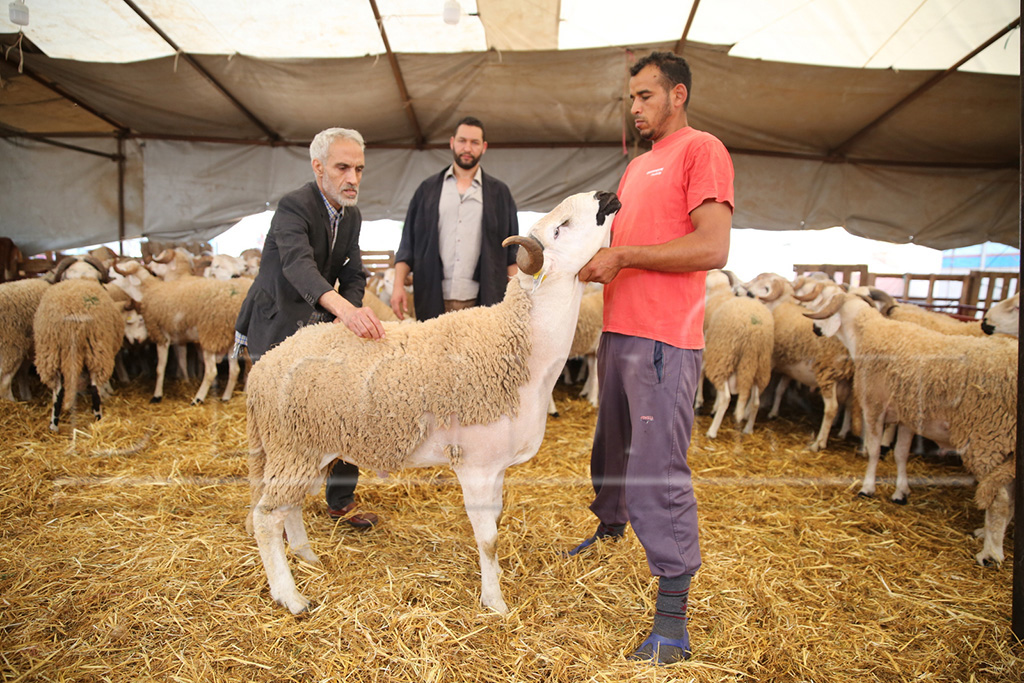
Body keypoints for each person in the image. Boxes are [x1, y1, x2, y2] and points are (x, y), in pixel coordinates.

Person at [569, 51, 733, 665]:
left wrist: (626, 256)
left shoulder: (701, 151)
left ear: (678, 94)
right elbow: (617, 243)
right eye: (630, 98)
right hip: (620, 331)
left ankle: (671, 621)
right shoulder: (637, 168)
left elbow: (713, 246)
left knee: (657, 471)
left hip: (665, 339)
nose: (634, 107)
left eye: (645, 96)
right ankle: (611, 528)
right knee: (610, 449)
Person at [233, 127, 385, 530]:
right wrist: (344, 312)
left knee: (343, 409)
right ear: (319, 168)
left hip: (318, 323)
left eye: (359, 169)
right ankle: (268, 509)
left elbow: (354, 270)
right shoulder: (293, 206)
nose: (352, 178)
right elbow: (297, 265)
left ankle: (341, 501)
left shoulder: (351, 215)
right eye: (342, 167)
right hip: (276, 321)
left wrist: (348, 309)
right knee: (280, 422)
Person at [390, 116, 519, 321]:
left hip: (484, 300)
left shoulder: (500, 194)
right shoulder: (427, 190)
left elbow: (512, 253)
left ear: (483, 147)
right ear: (452, 143)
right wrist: (398, 286)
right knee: (433, 352)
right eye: (462, 141)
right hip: (432, 296)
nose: (467, 148)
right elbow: (407, 245)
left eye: (474, 142)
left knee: (480, 353)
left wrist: (516, 295)